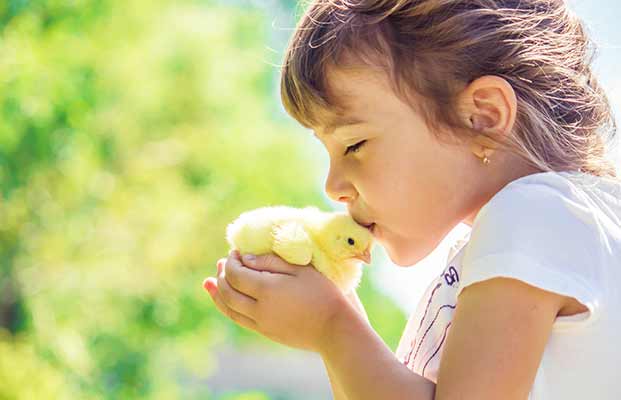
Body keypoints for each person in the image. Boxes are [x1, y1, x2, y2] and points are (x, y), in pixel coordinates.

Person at [203, 0, 621, 398]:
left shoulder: (530, 216)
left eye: (354, 145)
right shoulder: (566, 221)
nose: (333, 187)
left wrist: (332, 326)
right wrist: (337, 316)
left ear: (483, 117)